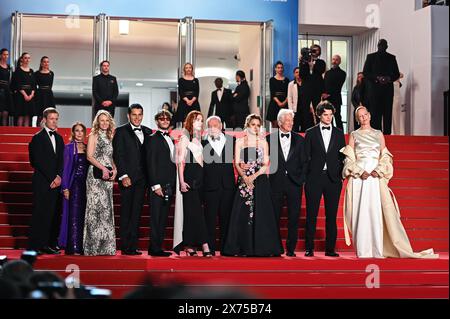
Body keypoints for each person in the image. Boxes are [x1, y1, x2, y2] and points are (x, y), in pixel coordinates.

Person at [341, 106, 438, 259]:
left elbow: (385, 156)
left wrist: (379, 170)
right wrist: (358, 171)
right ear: (357, 119)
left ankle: (377, 250)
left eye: (365, 114)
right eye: (360, 116)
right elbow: (349, 157)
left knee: (375, 211)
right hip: (360, 178)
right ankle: (363, 250)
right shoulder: (354, 135)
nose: (364, 117)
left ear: (370, 115)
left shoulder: (378, 134)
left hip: (375, 177)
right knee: (361, 212)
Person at [223, 114, 283, 257]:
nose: (256, 127)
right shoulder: (239, 142)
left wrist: (253, 177)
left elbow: (265, 164)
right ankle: (242, 246)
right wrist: (244, 177)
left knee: (262, 213)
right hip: (244, 182)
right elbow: (237, 163)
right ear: (247, 125)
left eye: (258, 125)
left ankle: (262, 247)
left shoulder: (263, 142)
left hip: (260, 181)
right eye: (253, 124)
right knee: (242, 213)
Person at [304, 101, 346, 257]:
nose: (328, 118)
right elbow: (305, 157)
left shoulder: (339, 133)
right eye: (325, 115)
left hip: (333, 180)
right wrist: (306, 177)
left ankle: (330, 249)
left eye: (331, 115)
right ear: (319, 115)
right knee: (311, 214)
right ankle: (309, 248)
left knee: (331, 215)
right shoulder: (310, 132)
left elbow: (343, 157)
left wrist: (340, 175)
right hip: (314, 179)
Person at [113, 104, 151, 255]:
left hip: (143, 180)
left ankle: (133, 245)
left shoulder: (148, 132)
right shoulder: (121, 131)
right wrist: (123, 175)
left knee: (137, 213)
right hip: (127, 178)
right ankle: (125, 246)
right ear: (128, 116)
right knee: (127, 213)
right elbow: (118, 155)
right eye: (134, 114)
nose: (137, 117)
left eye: (139, 114)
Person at [173, 111, 212, 257]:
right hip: (190, 177)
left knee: (192, 213)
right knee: (196, 212)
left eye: (201, 120)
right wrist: (182, 181)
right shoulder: (185, 137)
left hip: (200, 177)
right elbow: (180, 162)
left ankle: (189, 245)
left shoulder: (199, 138)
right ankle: (204, 244)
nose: (200, 123)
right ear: (190, 121)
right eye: (197, 120)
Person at [267, 109, 306, 257]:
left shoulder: (300, 139)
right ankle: (275, 247)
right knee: (274, 217)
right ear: (280, 122)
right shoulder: (269, 139)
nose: (291, 123)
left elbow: (305, 162)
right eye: (288, 120)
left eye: (292, 120)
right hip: (275, 182)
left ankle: (291, 249)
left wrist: (301, 179)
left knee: (294, 217)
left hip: (294, 183)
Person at [28, 107, 64, 255]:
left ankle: (50, 243)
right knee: (41, 214)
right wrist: (52, 177)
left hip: (56, 182)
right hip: (43, 182)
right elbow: (36, 161)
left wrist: (59, 177)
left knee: (54, 214)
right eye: (51, 119)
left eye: (56, 119)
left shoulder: (59, 138)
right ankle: (38, 245)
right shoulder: (37, 138)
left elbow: (62, 160)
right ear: (44, 120)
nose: (54, 121)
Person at [84, 110, 117, 256]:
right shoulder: (93, 135)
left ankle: (106, 247)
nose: (104, 123)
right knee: (94, 210)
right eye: (101, 120)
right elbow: (89, 157)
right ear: (97, 122)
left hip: (108, 177)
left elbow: (111, 156)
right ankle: (92, 248)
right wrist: (103, 168)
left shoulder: (111, 136)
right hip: (95, 177)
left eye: (106, 120)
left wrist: (115, 169)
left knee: (106, 211)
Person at [202, 116, 236, 256]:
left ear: (221, 126)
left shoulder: (232, 140)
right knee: (209, 219)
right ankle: (209, 248)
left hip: (228, 186)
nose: (214, 128)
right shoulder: (202, 143)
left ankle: (225, 248)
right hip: (210, 186)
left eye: (216, 125)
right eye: (211, 126)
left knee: (226, 219)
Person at [146, 109, 176, 257]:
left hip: (169, 185)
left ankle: (158, 246)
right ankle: (154, 248)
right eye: (162, 119)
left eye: (167, 119)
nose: (165, 121)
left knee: (163, 217)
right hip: (158, 185)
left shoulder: (171, 139)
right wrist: (155, 185)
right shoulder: (152, 138)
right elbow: (150, 163)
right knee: (156, 218)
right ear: (157, 121)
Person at [59, 122, 88, 255]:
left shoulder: (88, 148)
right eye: (77, 130)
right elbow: (65, 169)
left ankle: (83, 246)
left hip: (87, 187)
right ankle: (74, 246)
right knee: (74, 216)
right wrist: (65, 188)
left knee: (84, 216)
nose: (79, 133)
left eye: (82, 131)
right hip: (74, 185)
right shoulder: (69, 148)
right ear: (73, 132)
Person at [363, 39, 400, 135]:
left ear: (387, 47)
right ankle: (376, 134)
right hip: (374, 90)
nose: (382, 47)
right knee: (375, 113)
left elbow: (396, 74)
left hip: (387, 89)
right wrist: (377, 78)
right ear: (377, 46)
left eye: (384, 45)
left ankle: (387, 135)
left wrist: (388, 78)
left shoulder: (391, 58)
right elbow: (366, 72)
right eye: (380, 45)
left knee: (388, 113)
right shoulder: (371, 57)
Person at [299, 44, 326, 131]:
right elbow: (301, 75)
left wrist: (312, 67)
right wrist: (305, 62)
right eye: (312, 50)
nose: (314, 52)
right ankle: (305, 129)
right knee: (305, 110)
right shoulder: (304, 61)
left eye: (316, 50)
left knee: (318, 109)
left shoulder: (321, 62)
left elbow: (320, 71)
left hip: (316, 90)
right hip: (306, 89)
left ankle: (319, 128)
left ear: (319, 52)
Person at [11, 52, 36, 127]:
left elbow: (34, 85)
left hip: (30, 95)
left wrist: (31, 95)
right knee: (21, 115)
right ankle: (18, 134)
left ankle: (25, 135)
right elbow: (17, 84)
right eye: (25, 58)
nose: (27, 60)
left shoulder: (31, 71)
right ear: (22, 59)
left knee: (28, 116)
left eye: (28, 58)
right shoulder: (18, 70)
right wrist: (25, 95)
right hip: (21, 95)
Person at [323, 55, 347, 131]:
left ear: (339, 62)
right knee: (328, 118)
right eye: (333, 59)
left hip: (336, 98)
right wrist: (323, 94)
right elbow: (325, 84)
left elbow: (337, 86)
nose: (334, 61)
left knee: (337, 117)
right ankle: (330, 133)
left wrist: (328, 94)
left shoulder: (342, 73)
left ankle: (341, 135)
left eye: (336, 60)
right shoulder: (327, 73)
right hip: (327, 99)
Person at [266, 61, 290, 128]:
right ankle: (274, 138)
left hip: (285, 103)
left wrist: (284, 102)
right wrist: (279, 103)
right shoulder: (272, 79)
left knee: (284, 125)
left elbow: (288, 93)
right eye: (278, 68)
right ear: (275, 69)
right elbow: (273, 93)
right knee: (275, 125)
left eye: (281, 68)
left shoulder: (287, 80)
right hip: (275, 103)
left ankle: (282, 138)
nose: (280, 69)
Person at [34, 56, 55, 127]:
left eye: (47, 62)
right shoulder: (37, 73)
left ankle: (49, 128)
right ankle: (38, 128)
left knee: (49, 113)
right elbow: (34, 85)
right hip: (40, 94)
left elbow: (50, 85)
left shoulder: (51, 73)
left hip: (48, 94)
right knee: (40, 114)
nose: (46, 63)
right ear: (41, 63)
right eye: (44, 62)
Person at [287, 67, 303, 132]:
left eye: (299, 72)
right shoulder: (291, 84)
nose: (298, 74)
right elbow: (289, 97)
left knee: (304, 127)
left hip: (304, 108)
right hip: (295, 109)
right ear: (294, 74)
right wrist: (290, 110)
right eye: (296, 72)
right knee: (295, 127)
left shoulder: (305, 83)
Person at [0, 48, 12, 126]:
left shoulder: (9, 67)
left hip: (6, 90)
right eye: (4, 54)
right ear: (1, 55)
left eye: (7, 54)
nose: (6, 56)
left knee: (5, 112)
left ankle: (4, 131)